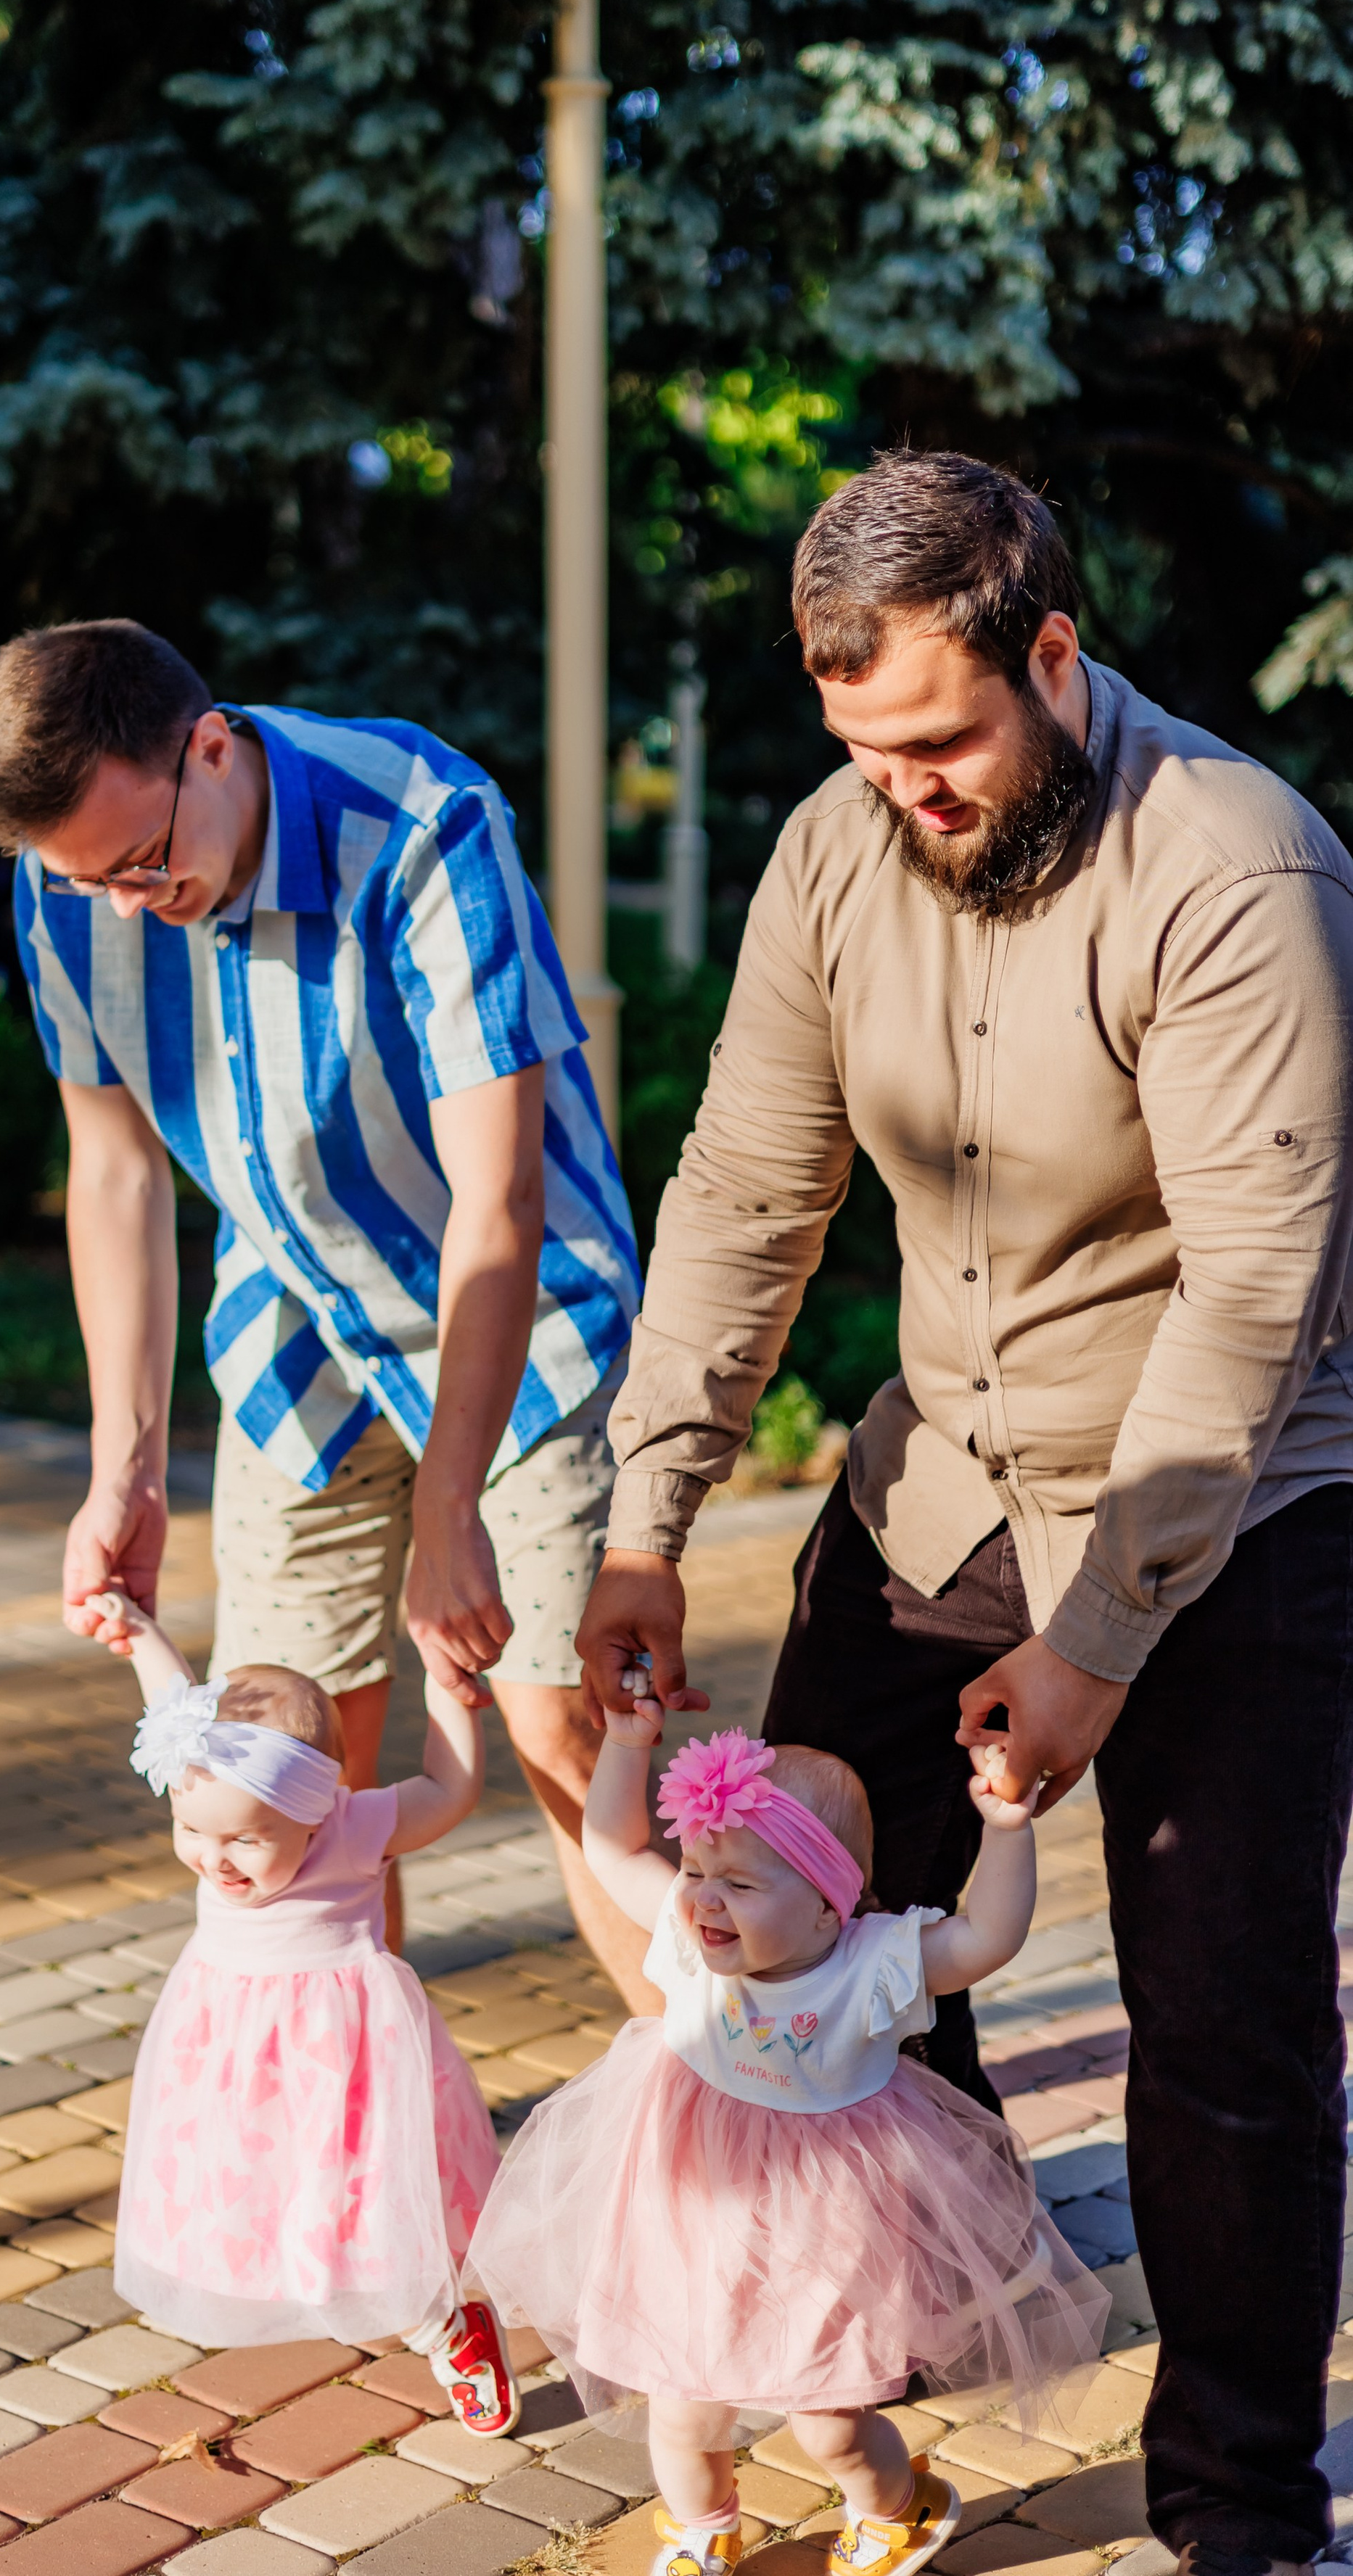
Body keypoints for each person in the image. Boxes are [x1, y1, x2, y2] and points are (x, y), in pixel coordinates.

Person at [575, 450, 1353, 2576]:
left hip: (1235, 1503)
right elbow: (747, 1189)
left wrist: (1097, 1636)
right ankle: (898, 2350)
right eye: (859, 749)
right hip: (932, 1493)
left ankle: (1240, 2503)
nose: (901, 790)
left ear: (1054, 651)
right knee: (842, 1949)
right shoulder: (834, 854)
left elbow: (1252, 1290)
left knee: (1227, 2034)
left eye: (939, 742)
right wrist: (647, 1519)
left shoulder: (1235, 866)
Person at [0, 621, 650, 2005]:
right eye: (81, 880)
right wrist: (128, 1466)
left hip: (521, 1329)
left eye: (144, 863)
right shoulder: (75, 888)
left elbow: (498, 1205)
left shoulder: (420, 828)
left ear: (207, 747)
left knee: (558, 1728)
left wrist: (451, 1507)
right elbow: (114, 1176)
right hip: (297, 1335)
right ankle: (356, 2144)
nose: (122, 907)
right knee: (290, 1765)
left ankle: (724, 2122)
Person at [469, 1709, 1106, 2576]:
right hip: (689, 2211)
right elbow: (613, 1849)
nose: (700, 1897)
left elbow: (986, 1938)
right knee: (681, 2404)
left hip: (828, 2226)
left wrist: (1006, 1829)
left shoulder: (870, 1964)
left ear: (823, 1905)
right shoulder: (690, 1943)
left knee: (829, 2421)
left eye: (737, 1882)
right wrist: (624, 1745)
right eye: (696, 1869)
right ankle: (701, 2529)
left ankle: (896, 2508)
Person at [99, 1586, 519, 2434]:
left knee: (363, 2204)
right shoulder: (207, 1774)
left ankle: (442, 2327)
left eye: (245, 1841)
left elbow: (450, 1788)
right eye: (192, 1831)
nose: (213, 1860)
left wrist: (449, 1689)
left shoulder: (356, 1827)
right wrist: (142, 1631)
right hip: (230, 2052)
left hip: (342, 2060)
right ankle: (322, 2284)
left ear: (315, 1808)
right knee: (260, 2190)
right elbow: (172, 1706)